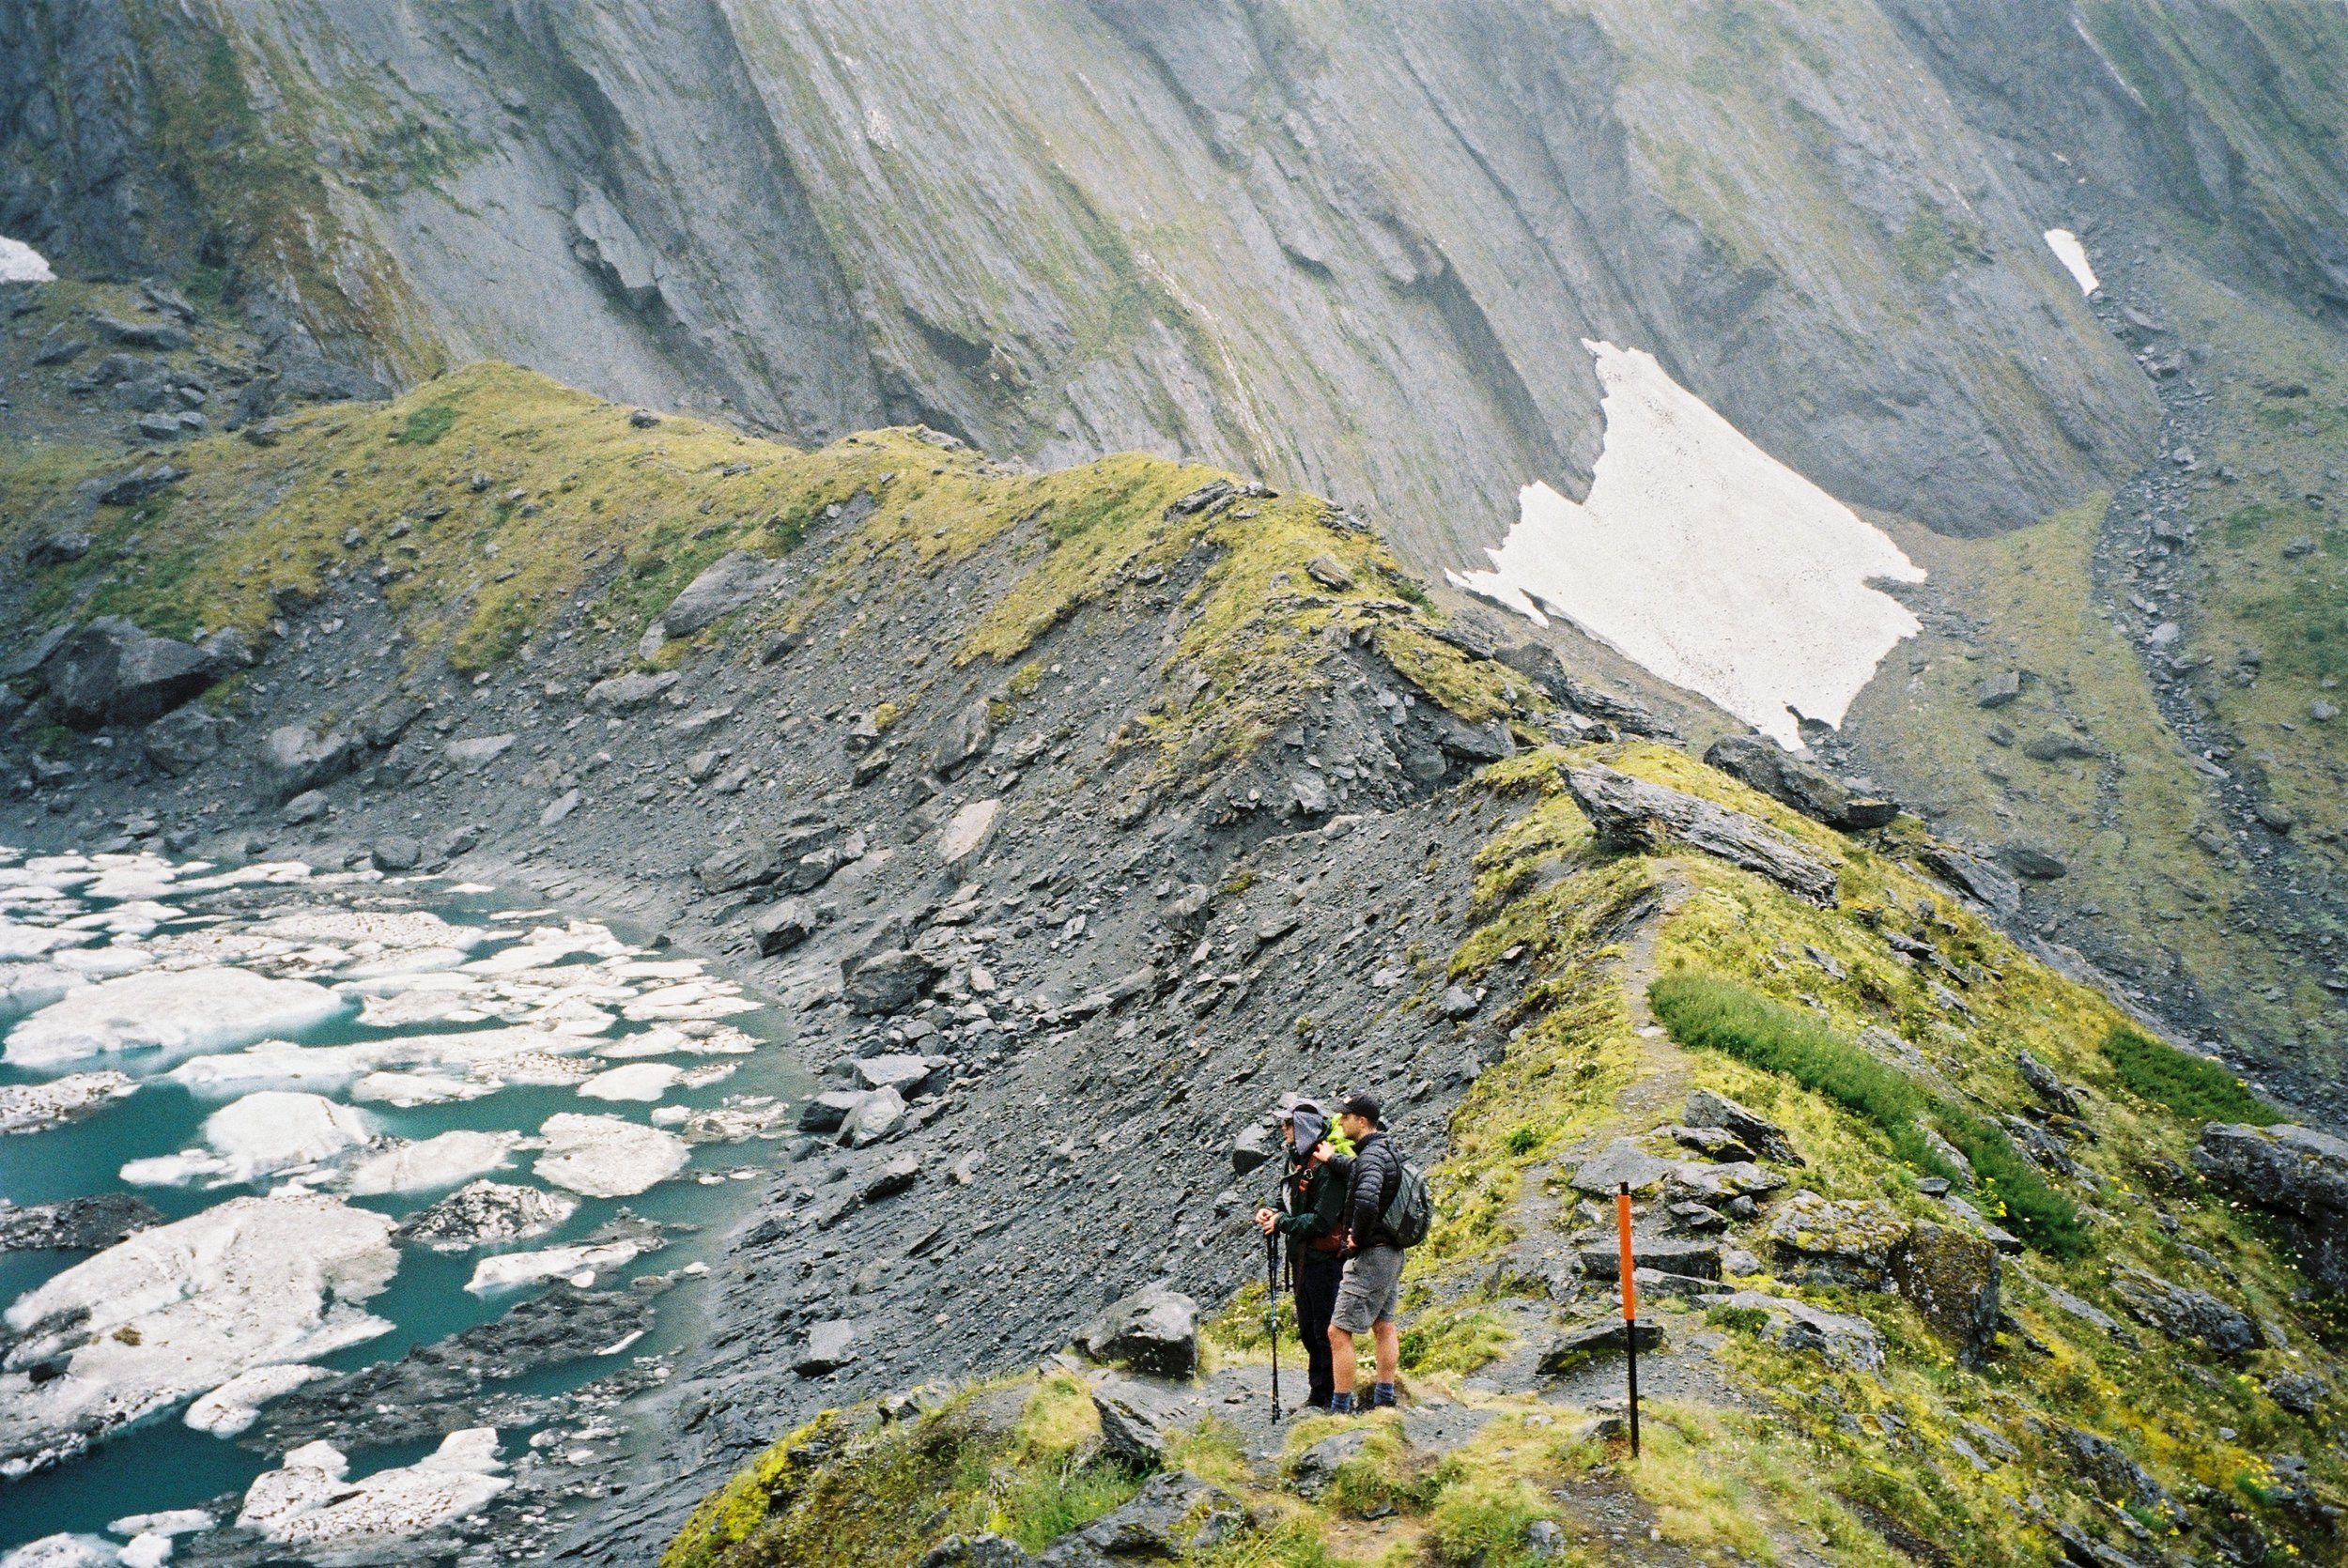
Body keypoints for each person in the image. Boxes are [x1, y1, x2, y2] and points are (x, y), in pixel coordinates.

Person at [1254, 1099, 1351, 1411]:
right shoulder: (1296, 1160)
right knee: (1309, 1330)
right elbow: (1291, 1201)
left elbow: (1322, 1221)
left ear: (1304, 1127)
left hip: (1325, 1262)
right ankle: (1317, 1393)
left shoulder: (1325, 1167)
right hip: (1303, 1260)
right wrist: (1273, 1212)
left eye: (1288, 1125)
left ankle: (1332, 1397)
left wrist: (1282, 1223)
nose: (1283, 1130)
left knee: (1326, 1331)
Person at [1327, 1091, 1403, 1413]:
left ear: (1361, 1121)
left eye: (1345, 1117)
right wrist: (1331, 1158)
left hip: (1372, 1255)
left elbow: (1368, 1200)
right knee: (1383, 1325)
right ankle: (1384, 1397)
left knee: (1338, 1331)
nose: (1340, 1121)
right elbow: (1363, 1173)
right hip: (1392, 1252)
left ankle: (1340, 1408)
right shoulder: (1384, 1150)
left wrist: (1355, 1238)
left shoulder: (1372, 1156)